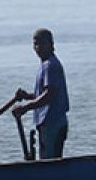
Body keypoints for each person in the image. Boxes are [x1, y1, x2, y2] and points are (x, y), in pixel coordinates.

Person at [12, 28, 69, 159]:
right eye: (35, 44)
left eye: (41, 44)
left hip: (53, 122)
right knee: (47, 158)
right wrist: (27, 96)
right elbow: (43, 94)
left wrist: (25, 107)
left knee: (51, 161)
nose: (38, 48)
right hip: (46, 122)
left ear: (51, 44)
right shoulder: (44, 65)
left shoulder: (51, 65)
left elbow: (50, 95)